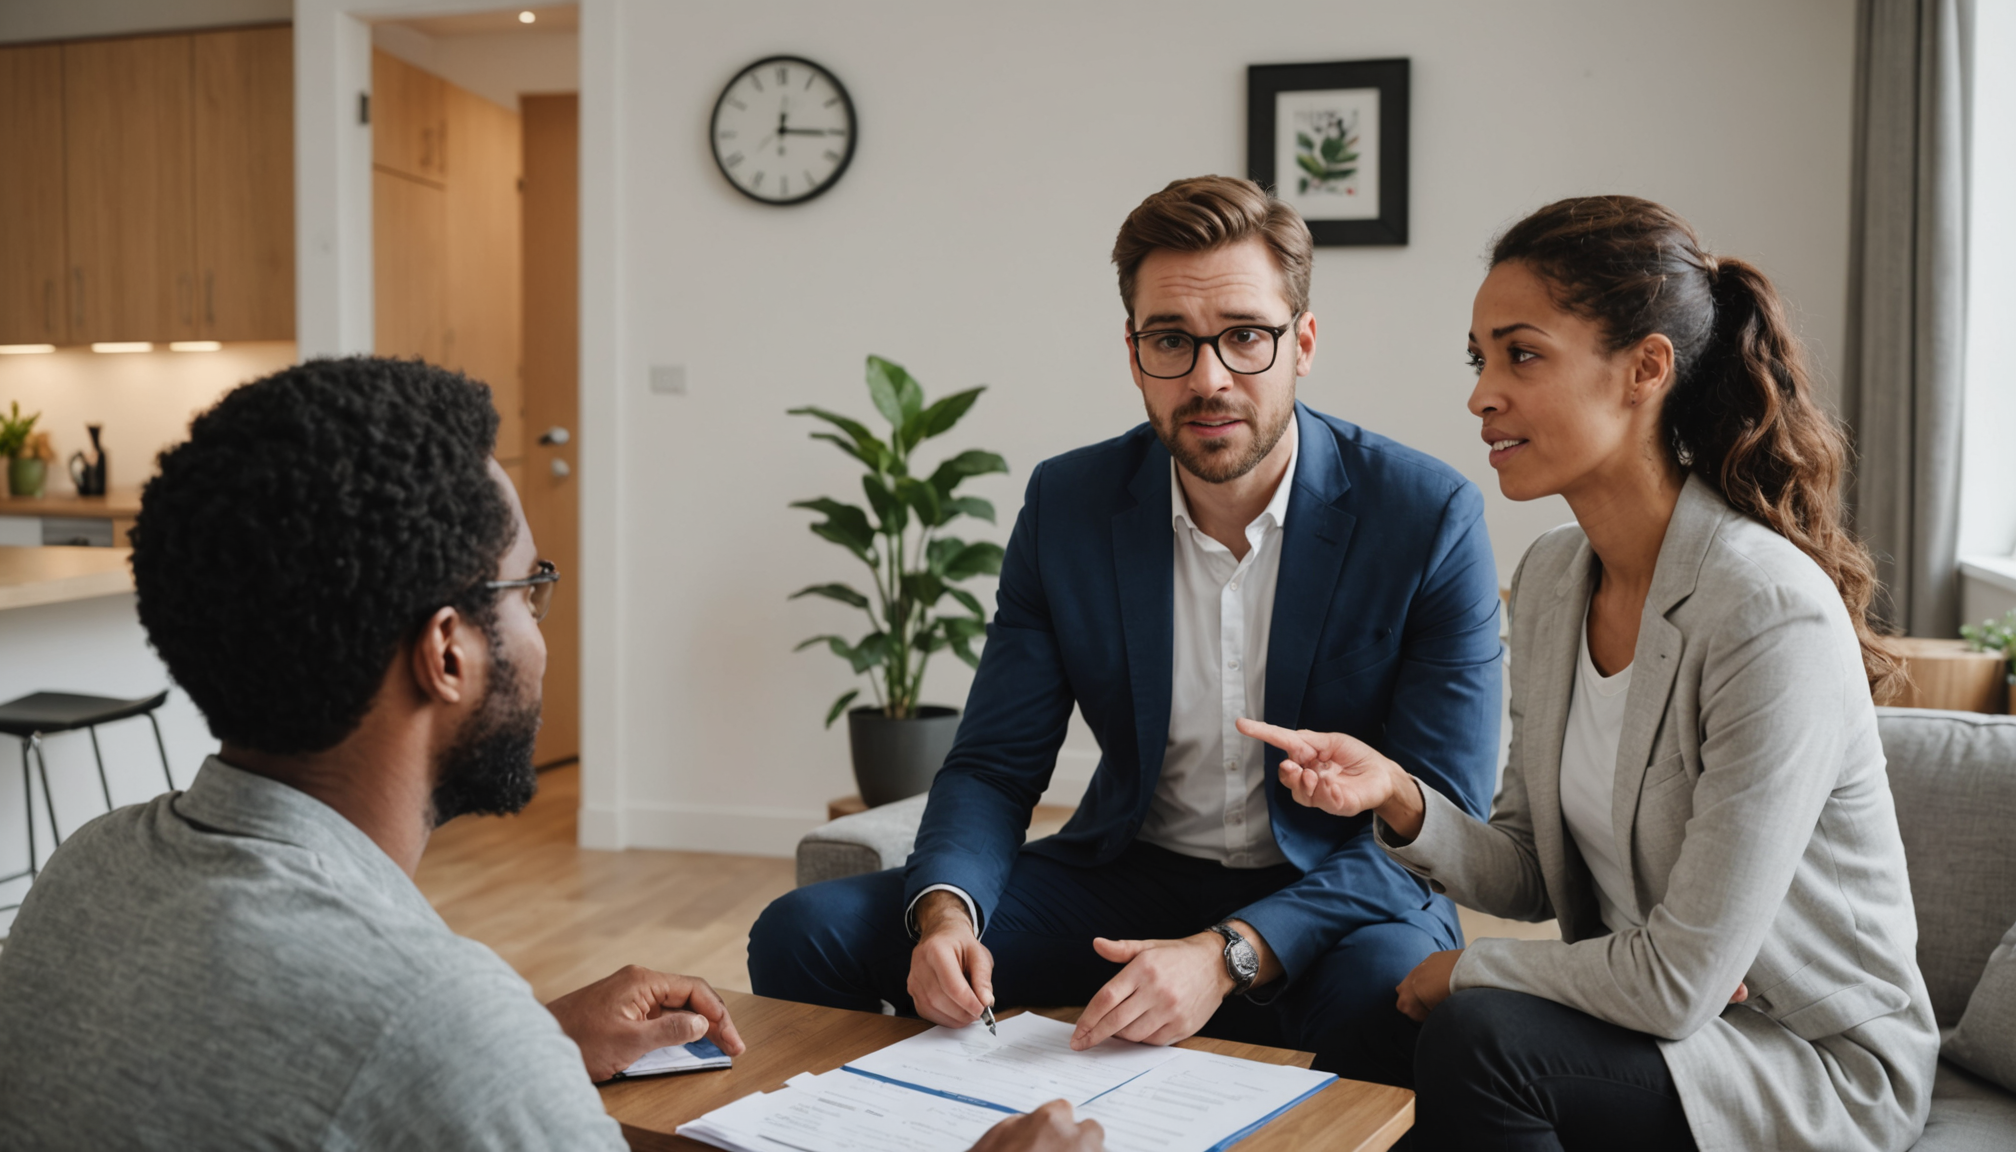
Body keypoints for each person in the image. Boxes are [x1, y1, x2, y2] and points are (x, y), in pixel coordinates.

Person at [0, 358, 1100, 1152]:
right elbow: (389, 1047)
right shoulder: (433, 1019)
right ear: (447, 651)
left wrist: (532, 1039)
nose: (541, 623)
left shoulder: (87, 872)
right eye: (530, 587)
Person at [749, 176, 1503, 1078]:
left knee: (1389, 1000)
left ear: (1302, 341)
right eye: (1172, 341)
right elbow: (994, 764)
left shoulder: (1424, 515)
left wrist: (1225, 953)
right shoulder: (1068, 504)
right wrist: (948, 914)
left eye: (1245, 337)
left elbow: (1443, 813)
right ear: (1135, 352)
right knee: (808, 930)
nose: (1209, 378)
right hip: (1130, 868)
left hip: (1342, 885)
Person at [1241, 195, 1938, 1151]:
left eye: (1521, 355)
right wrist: (1398, 796)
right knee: (1379, 1013)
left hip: (1802, 1056)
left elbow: (1680, 980)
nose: (1482, 394)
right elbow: (1532, 872)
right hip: (1668, 1016)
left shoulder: (1766, 611)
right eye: (1479, 359)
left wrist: (1473, 970)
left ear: (1646, 369)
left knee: (1481, 1034)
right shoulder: (1554, 578)